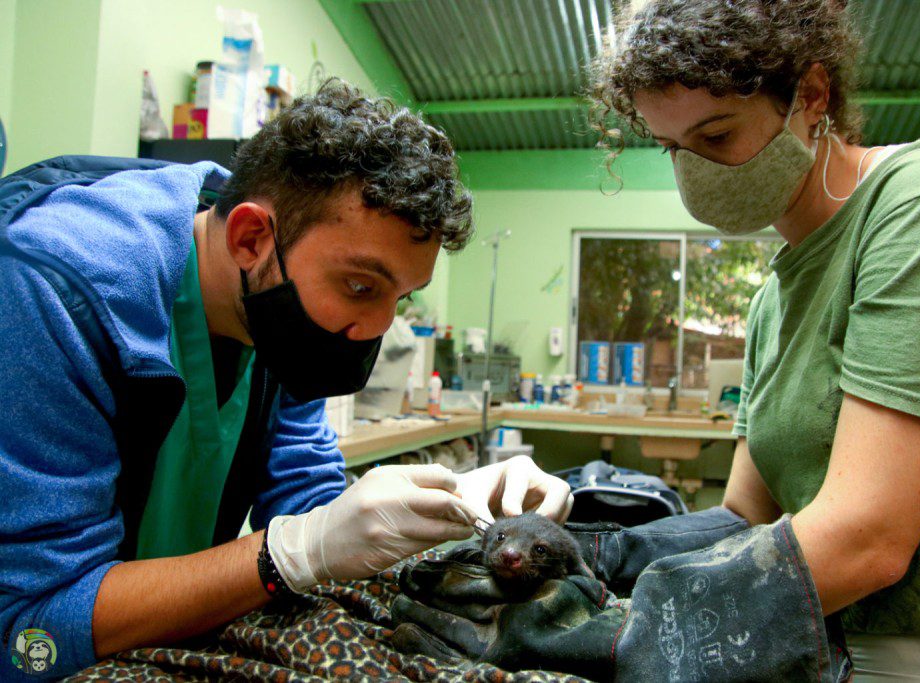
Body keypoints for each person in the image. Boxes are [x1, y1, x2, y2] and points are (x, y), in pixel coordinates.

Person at [0, 79, 572, 680]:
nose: (377, 327)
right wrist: (289, 554)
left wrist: (447, 502)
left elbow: (309, 503)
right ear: (249, 238)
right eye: (361, 286)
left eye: (400, 297)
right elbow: (25, 632)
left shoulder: (274, 296)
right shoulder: (50, 293)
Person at [587, 0, 920, 679]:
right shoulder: (773, 296)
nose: (694, 173)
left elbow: (867, 539)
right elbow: (744, 517)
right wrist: (600, 552)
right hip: (822, 640)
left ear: (812, 96)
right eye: (672, 149)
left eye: (716, 135)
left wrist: (631, 629)